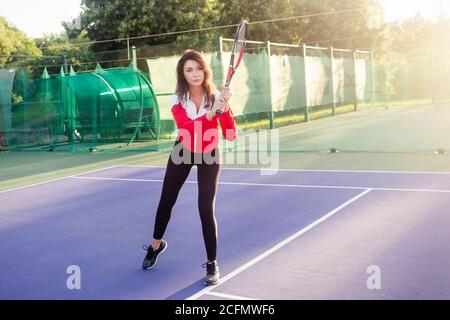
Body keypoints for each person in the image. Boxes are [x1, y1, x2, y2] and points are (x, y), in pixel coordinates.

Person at [142, 49, 237, 286]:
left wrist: (225, 109)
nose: (195, 73)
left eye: (198, 68)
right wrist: (211, 113)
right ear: (183, 75)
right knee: (166, 200)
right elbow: (186, 128)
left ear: (205, 70)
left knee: (205, 208)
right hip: (183, 149)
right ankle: (156, 246)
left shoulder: (216, 96)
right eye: (189, 70)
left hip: (209, 152)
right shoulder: (177, 99)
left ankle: (212, 263)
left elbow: (231, 135)